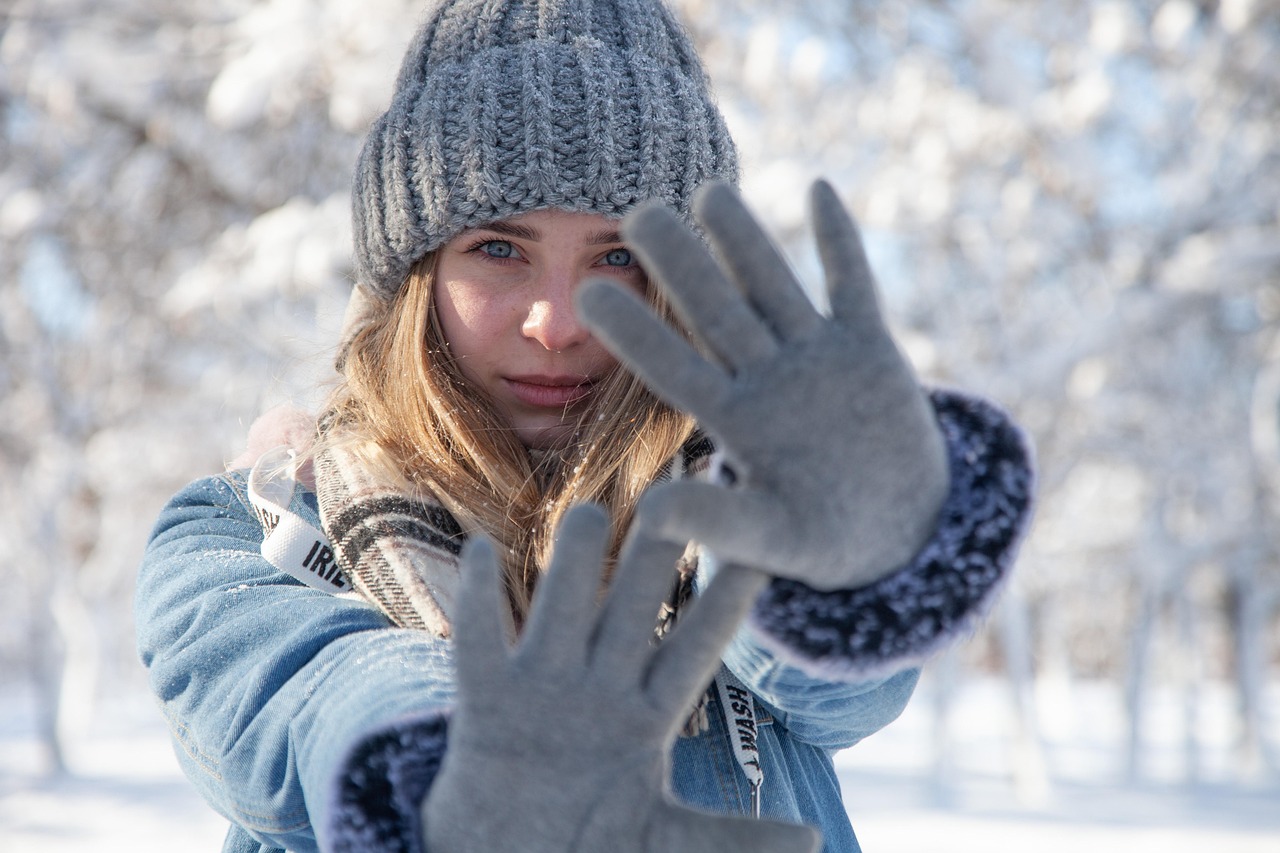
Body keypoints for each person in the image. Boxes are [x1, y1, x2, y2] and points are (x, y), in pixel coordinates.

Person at [135, 1, 1035, 851]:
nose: (557, 322)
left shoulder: (729, 506)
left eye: (619, 257)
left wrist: (842, 536)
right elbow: (296, 693)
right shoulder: (255, 530)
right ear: (415, 274)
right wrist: (451, 760)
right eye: (499, 248)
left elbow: (834, 690)